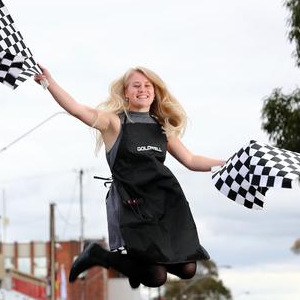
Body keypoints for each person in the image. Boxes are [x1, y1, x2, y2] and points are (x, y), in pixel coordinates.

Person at [34, 65, 225, 288]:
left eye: (147, 86)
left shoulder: (161, 126)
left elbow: (191, 160)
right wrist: (49, 83)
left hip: (165, 203)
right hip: (133, 204)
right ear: (126, 92)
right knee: (156, 277)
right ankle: (97, 254)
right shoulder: (113, 123)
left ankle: (132, 265)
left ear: (154, 92)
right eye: (136, 86)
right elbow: (76, 109)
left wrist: (227, 164)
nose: (142, 90)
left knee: (188, 269)